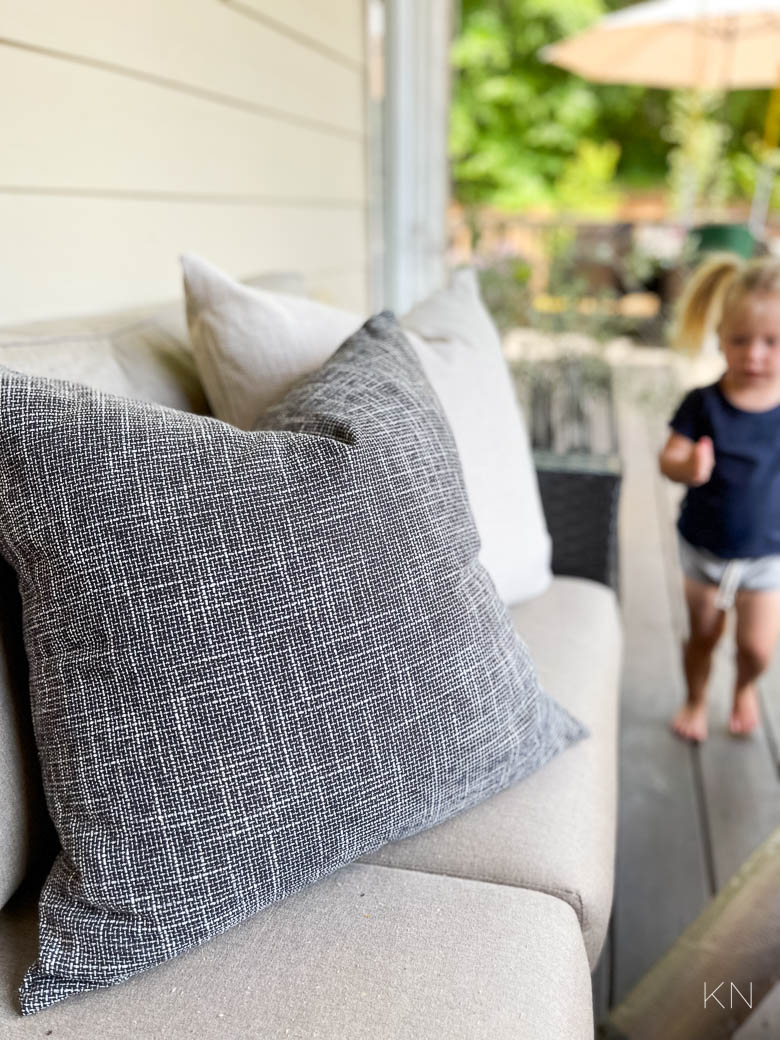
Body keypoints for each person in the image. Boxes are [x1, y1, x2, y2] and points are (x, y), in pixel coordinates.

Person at [659, 253, 780, 742]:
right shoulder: (702, 403)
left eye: (772, 343)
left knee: (757, 650)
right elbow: (668, 458)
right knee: (704, 636)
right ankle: (695, 697)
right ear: (719, 339)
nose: (754, 355)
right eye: (740, 340)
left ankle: (744, 688)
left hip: (767, 556)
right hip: (705, 549)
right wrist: (686, 466)